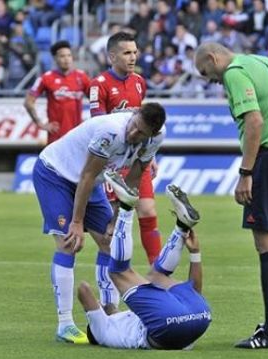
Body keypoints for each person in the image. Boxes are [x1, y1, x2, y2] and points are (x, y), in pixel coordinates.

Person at [194, 42, 268, 349]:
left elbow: (254, 122)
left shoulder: (234, 72)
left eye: (207, 72)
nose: (211, 80)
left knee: (266, 243)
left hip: (267, 160)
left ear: (213, 58)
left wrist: (246, 173)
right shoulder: (266, 64)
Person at [31, 103, 166, 344]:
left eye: (141, 133)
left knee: (109, 240)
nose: (133, 134)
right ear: (133, 116)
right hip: (56, 174)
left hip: (89, 182)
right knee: (68, 243)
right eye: (134, 127)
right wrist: (77, 222)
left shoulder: (156, 138)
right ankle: (65, 324)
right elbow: (87, 175)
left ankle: (109, 310)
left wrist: (116, 219)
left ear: (152, 135)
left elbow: (134, 177)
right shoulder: (110, 131)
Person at [77, 174, 211, 350]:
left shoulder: (127, 323)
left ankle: (182, 227)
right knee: (118, 272)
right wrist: (94, 310)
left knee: (156, 276)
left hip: (199, 318)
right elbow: (83, 289)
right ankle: (126, 207)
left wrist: (195, 253)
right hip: (167, 326)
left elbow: (194, 292)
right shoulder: (101, 332)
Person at [89, 32, 163, 314]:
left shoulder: (140, 83)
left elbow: (145, 124)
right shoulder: (100, 85)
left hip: (137, 160)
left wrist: (150, 155)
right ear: (112, 56)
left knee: (147, 210)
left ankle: (158, 272)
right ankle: (109, 296)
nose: (133, 57)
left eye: (135, 52)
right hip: (111, 164)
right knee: (112, 228)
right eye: (127, 53)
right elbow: (100, 127)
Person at [24, 41, 90, 145]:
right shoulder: (46, 78)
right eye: (62, 56)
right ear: (55, 58)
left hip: (78, 134)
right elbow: (28, 102)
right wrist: (40, 124)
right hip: (56, 136)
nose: (67, 59)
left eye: (69, 55)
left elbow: (97, 99)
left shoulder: (82, 77)